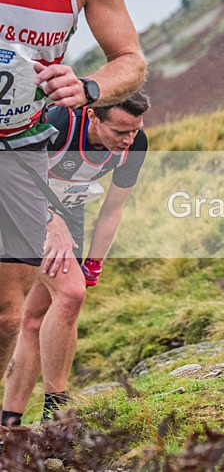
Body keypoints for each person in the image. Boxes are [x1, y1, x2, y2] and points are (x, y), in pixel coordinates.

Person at [0, 0, 146, 414]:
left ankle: (13, 418)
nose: (127, 139)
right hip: (39, 175)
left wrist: (89, 86)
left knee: (9, 317)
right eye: (120, 131)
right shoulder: (70, 130)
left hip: (20, 148)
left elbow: (132, 60)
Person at [1, 90, 149, 426]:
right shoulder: (59, 124)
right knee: (70, 293)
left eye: (134, 131)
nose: (128, 139)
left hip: (68, 210)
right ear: (93, 116)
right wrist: (51, 223)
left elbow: (113, 208)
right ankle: (57, 415)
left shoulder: (134, 145)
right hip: (14, 204)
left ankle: (8, 423)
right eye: (119, 132)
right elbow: (11, 175)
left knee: (36, 318)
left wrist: (95, 261)